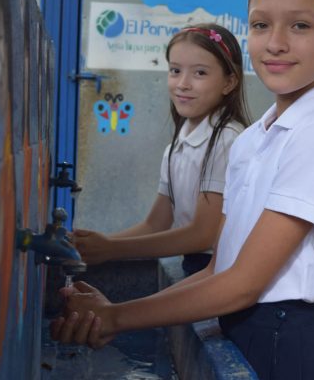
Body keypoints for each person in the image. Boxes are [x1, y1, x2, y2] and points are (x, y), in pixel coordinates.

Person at [52, 0, 314, 379]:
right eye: (260, 25)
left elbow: (244, 283)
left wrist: (118, 318)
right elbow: (220, 269)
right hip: (244, 330)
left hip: (289, 346)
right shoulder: (257, 138)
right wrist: (114, 311)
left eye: (300, 26)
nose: (275, 42)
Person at [73, 23, 250, 275]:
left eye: (200, 73)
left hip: (220, 272)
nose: (183, 84)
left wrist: (111, 249)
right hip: (195, 268)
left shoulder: (226, 140)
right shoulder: (177, 146)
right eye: (175, 70)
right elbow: (155, 224)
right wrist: (95, 246)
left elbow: (202, 235)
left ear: (229, 82)